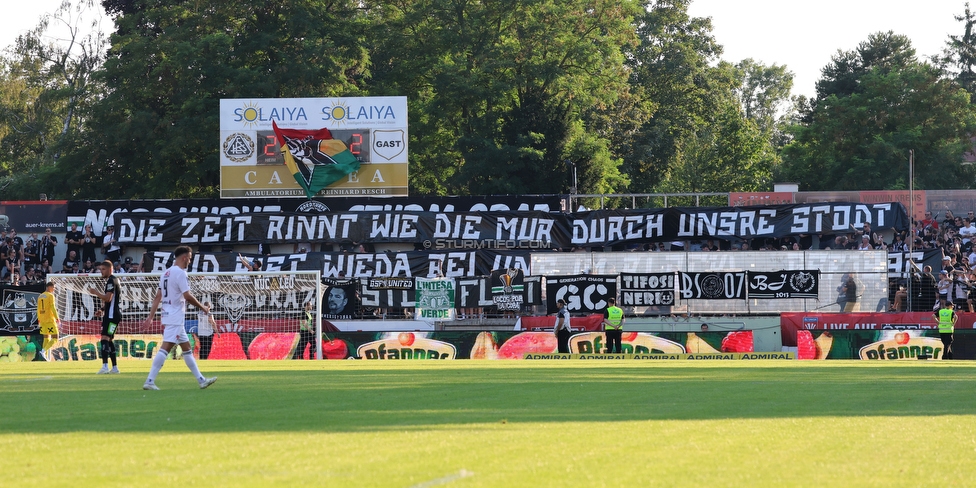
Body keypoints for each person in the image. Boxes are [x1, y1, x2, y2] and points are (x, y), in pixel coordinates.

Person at [142, 246, 217, 390]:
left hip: (170, 314)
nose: (190, 260)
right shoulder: (181, 273)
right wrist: (203, 308)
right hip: (175, 316)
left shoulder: (166, 273)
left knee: (187, 349)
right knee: (166, 348)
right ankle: (150, 381)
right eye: (189, 258)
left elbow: (158, 296)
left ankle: (201, 380)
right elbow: (187, 296)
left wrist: (151, 316)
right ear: (184, 258)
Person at [87, 260, 121, 374]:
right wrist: (102, 309)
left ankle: (105, 366)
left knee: (104, 339)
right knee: (109, 339)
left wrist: (95, 292)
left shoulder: (111, 280)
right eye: (100, 269)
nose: (101, 272)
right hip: (113, 314)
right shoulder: (114, 280)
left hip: (111, 316)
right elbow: (110, 301)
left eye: (103, 269)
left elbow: (108, 298)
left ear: (110, 269)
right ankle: (115, 367)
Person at [37, 281, 61, 360]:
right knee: (55, 337)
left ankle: (45, 356)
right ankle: (43, 351)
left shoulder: (40, 296)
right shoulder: (50, 295)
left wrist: (39, 320)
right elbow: (52, 307)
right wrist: (57, 318)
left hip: (42, 320)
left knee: (46, 338)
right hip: (50, 319)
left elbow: (38, 309)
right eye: (53, 287)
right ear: (49, 287)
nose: (54, 289)